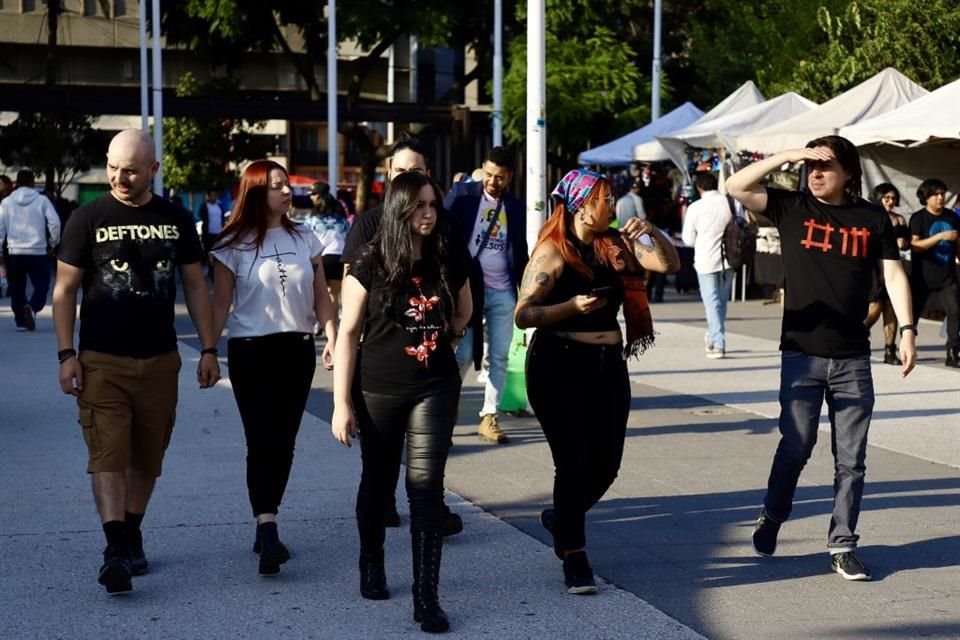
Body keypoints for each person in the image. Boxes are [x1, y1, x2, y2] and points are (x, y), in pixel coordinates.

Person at [725, 135, 917, 582]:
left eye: (826, 166)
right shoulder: (792, 207)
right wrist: (789, 156)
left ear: (849, 172)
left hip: (853, 357)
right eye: (810, 166)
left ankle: (843, 544)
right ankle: (773, 514)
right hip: (800, 353)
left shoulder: (872, 217)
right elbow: (736, 185)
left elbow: (892, 273)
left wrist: (907, 331)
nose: (815, 173)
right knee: (797, 444)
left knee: (851, 459)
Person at [52, 129, 221, 595]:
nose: (119, 177)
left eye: (130, 169)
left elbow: (195, 286)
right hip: (102, 359)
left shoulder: (176, 218)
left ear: (153, 169)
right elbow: (64, 291)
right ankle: (115, 548)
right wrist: (67, 353)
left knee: (148, 456)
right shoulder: (86, 218)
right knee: (108, 452)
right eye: (112, 167)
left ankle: (130, 529)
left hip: (161, 360)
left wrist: (209, 349)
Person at [515, 169, 680, 594]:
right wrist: (569, 306)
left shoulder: (616, 247)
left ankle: (563, 517)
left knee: (607, 463)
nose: (613, 206)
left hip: (608, 365)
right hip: (559, 364)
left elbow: (669, 263)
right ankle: (574, 556)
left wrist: (653, 231)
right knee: (573, 462)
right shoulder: (552, 252)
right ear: (583, 205)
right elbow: (524, 313)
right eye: (606, 199)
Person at [332, 171, 472, 633]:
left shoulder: (449, 256)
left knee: (426, 489)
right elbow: (349, 334)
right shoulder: (370, 261)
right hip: (378, 388)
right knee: (378, 480)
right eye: (419, 206)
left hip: (435, 387)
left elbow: (465, 310)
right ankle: (371, 562)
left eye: (433, 204)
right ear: (399, 210)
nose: (429, 214)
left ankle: (426, 596)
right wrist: (340, 405)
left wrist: (446, 341)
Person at [209, 160, 338, 576]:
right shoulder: (233, 244)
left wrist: (332, 335)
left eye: (287, 186)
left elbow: (321, 296)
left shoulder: (306, 237)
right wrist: (209, 350)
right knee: (260, 439)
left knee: (284, 441)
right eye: (277, 186)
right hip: (250, 351)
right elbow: (220, 304)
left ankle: (267, 515)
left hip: (296, 349)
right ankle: (267, 526)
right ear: (256, 193)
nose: (286, 192)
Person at [341, 135, 467, 535]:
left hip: (433, 376)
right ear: (390, 178)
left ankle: (426, 580)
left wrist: (450, 330)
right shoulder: (369, 232)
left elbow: (464, 297)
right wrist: (341, 395)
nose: (424, 208)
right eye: (403, 174)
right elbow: (352, 315)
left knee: (425, 479)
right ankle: (374, 553)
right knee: (377, 473)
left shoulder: (444, 235)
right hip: (380, 372)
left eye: (418, 175)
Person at [445, 146, 528, 444]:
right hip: (468, 289)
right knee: (463, 354)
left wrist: (527, 291)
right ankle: (447, 412)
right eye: (490, 174)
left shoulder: (516, 208)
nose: (494, 181)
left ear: (510, 176)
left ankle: (489, 416)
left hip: (503, 290)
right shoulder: (463, 196)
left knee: (500, 356)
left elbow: (520, 250)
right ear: (483, 168)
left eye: (500, 177)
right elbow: (442, 233)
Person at [681, 172, 735, 358]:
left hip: (706, 259)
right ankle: (713, 336)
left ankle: (718, 342)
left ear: (699, 187)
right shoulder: (730, 203)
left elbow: (688, 239)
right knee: (720, 302)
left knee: (712, 302)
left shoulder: (695, 207)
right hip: (730, 258)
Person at [908, 178, 960, 367]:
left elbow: (958, 242)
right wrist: (939, 236)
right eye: (936, 194)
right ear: (926, 197)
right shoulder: (918, 218)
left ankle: (953, 353)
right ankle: (908, 347)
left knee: (955, 311)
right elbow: (914, 245)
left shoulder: (952, 217)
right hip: (923, 276)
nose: (940, 198)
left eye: (942, 194)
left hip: (947, 275)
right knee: (912, 315)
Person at [0, 169, 61, 331]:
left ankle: (20, 321)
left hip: (15, 252)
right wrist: (53, 242)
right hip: (38, 251)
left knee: (17, 287)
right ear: (33, 182)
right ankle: (33, 306)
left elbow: (0, 229)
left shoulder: (6, 202)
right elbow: (54, 223)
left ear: (17, 183)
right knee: (42, 284)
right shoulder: (42, 201)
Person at [865, 183, 910, 365]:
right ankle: (858, 332)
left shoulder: (899, 219)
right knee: (875, 305)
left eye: (893, 198)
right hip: (873, 266)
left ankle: (889, 350)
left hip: (892, 266)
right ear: (879, 198)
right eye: (886, 198)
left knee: (891, 308)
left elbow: (904, 245)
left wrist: (903, 239)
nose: (890, 202)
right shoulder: (870, 216)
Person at [303, 181, 350, 321]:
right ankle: (332, 328)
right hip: (339, 258)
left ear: (319, 197)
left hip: (321, 258)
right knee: (334, 295)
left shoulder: (312, 221)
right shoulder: (342, 221)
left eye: (313, 194)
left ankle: (321, 323)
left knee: (319, 294)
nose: (311, 197)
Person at [199, 189, 227, 256]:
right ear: (208, 196)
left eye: (215, 195)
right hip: (209, 234)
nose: (213, 197)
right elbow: (201, 215)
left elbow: (222, 218)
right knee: (208, 251)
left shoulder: (219, 206)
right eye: (212, 195)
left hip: (219, 233)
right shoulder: (205, 206)